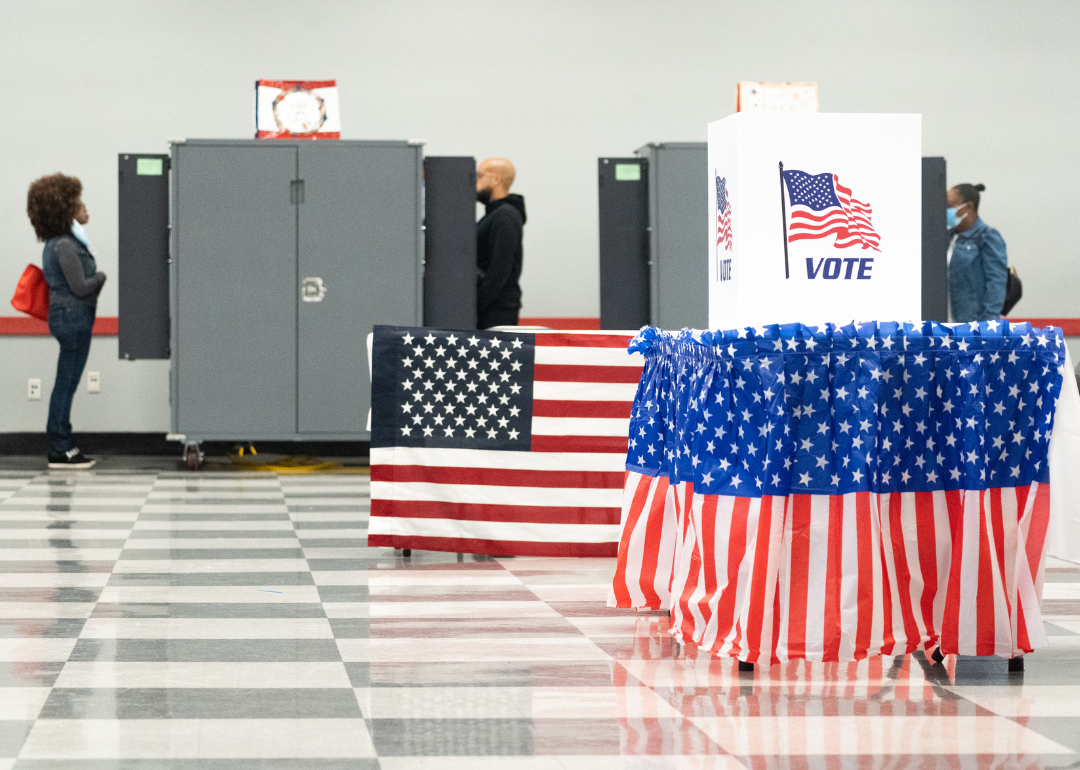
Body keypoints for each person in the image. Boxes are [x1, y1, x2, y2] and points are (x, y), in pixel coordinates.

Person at [26, 174, 106, 469]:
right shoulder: (65, 246)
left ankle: (62, 445)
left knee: (66, 383)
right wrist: (101, 277)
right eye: (78, 203)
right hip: (73, 318)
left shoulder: (59, 243)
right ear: (64, 210)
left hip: (69, 317)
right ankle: (61, 448)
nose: (85, 208)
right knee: (66, 385)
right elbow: (81, 287)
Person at [475, 157, 526, 329]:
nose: (475, 182)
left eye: (479, 176)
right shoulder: (494, 215)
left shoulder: (504, 215)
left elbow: (500, 268)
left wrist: (477, 304)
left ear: (496, 180)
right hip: (491, 309)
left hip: (495, 314)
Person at [947, 183, 1007, 323]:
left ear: (968, 207)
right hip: (943, 326)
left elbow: (996, 282)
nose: (945, 210)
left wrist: (987, 326)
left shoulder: (987, 236)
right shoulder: (946, 238)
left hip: (972, 326)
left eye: (949, 205)